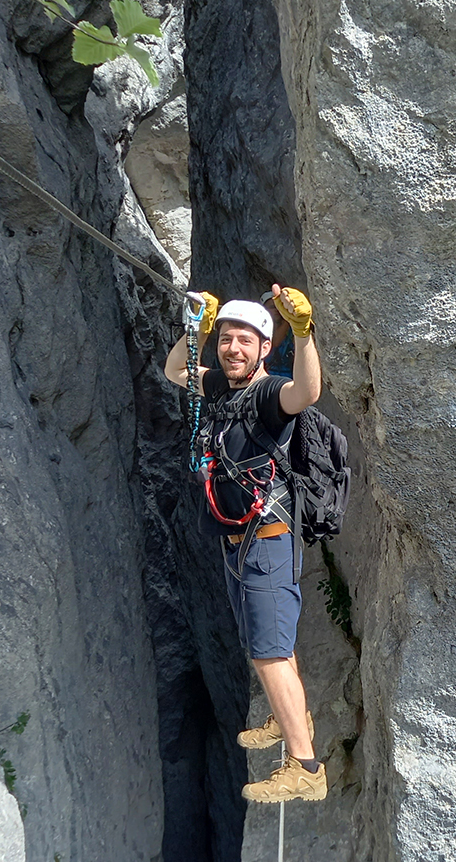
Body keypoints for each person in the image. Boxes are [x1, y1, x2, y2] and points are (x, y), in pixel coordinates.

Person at [163, 285, 326, 802]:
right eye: (227, 340)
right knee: (268, 645)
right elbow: (175, 372)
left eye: (245, 341)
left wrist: (303, 335)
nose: (233, 349)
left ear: (262, 349)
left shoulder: (266, 393)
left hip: (267, 543)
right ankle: (287, 718)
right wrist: (197, 330)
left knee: (269, 652)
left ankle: (306, 767)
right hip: (237, 543)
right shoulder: (222, 389)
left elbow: (307, 392)